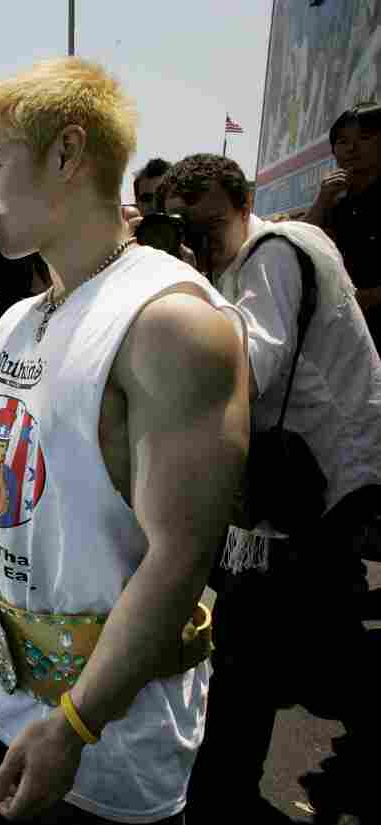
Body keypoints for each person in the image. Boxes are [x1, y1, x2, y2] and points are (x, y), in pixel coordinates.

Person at [0, 58, 249, 824]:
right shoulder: (26, 319)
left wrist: (77, 723)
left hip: (104, 755)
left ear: (66, 153)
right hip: (3, 712)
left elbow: (181, 556)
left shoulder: (171, 322)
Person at [157, 153, 381, 820]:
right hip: (315, 474)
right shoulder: (269, 245)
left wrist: (186, 295)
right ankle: (225, 788)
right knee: (284, 639)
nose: (201, 243)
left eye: (210, 226)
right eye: (186, 230)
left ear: (244, 201)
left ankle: (223, 793)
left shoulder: (270, 256)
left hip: (326, 477)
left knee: (276, 645)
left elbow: (243, 374)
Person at [304, 102, 381, 350]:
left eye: (365, 138)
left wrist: (372, 296)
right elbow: (300, 245)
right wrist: (321, 201)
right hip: (348, 335)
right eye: (342, 142)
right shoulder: (334, 202)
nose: (352, 148)